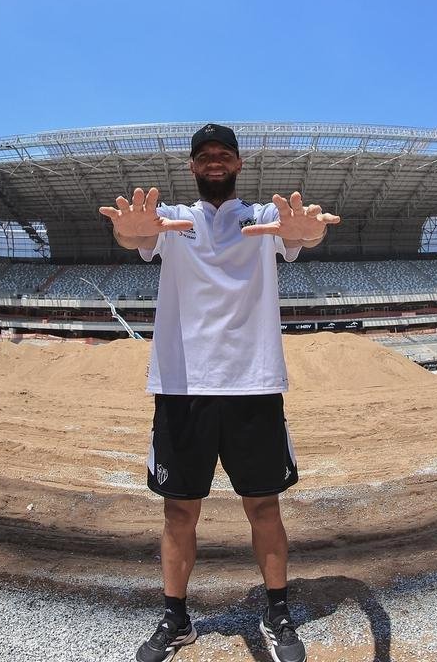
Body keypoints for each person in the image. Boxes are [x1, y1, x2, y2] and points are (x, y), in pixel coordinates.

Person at [99, 123, 339, 662]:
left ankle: (278, 613)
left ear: (237, 163)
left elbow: (301, 236)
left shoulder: (260, 218)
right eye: (204, 154)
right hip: (182, 388)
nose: (214, 160)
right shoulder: (176, 220)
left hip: (253, 384)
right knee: (179, 513)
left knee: (264, 507)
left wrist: (309, 231)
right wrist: (130, 232)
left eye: (223, 154)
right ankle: (176, 620)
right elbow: (137, 237)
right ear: (191, 166)